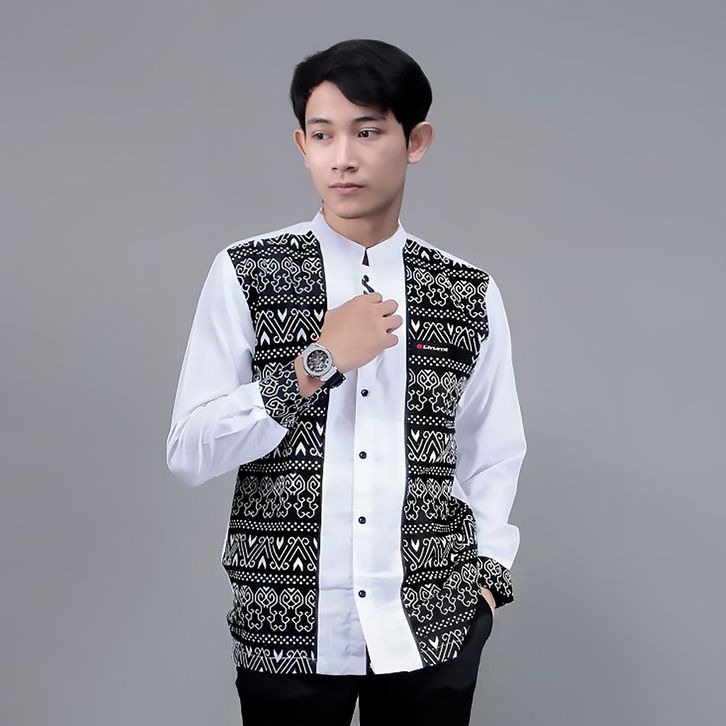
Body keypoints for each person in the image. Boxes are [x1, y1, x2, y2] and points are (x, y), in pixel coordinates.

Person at [166, 38, 527, 726]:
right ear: (301, 146)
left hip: (433, 625)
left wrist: (485, 583)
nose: (342, 158)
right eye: (323, 135)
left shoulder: (466, 292)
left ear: (415, 141)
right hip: (286, 629)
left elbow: (494, 453)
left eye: (367, 132)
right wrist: (316, 362)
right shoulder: (248, 273)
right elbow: (189, 451)